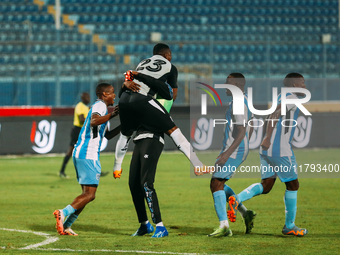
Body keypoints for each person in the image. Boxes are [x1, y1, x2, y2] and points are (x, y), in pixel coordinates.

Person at [227, 73, 308, 237]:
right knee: (293, 185)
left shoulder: (281, 95)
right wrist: (268, 137)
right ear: (293, 85)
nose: (304, 86)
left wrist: (266, 140)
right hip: (279, 149)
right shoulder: (291, 98)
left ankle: (236, 199)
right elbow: (274, 115)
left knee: (267, 185)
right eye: (302, 83)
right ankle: (289, 226)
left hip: (267, 150)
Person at [113, 43, 205, 180]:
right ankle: (197, 164)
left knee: (125, 135)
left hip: (125, 99)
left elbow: (127, 81)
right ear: (167, 55)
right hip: (142, 99)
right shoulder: (170, 67)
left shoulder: (141, 63)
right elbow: (173, 95)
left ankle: (117, 168)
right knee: (173, 130)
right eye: (170, 56)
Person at [53, 82, 120, 236]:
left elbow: (107, 135)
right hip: (87, 153)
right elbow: (94, 121)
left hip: (84, 153)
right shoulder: (100, 106)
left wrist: (125, 127)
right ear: (104, 94)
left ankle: (67, 225)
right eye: (111, 92)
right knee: (89, 194)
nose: (114, 95)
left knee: (87, 195)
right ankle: (62, 213)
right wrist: (113, 114)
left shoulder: (102, 109)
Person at [208, 73, 256, 237]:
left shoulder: (238, 102)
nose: (225, 85)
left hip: (235, 149)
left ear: (237, 84)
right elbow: (251, 125)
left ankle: (225, 226)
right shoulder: (244, 100)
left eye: (228, 82)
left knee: (216, 183)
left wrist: (227, 154)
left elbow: (242, 130)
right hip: (238, 148)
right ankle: (245, 212)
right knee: (218, 183)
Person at [59, 92, 90, 178]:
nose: (89, 98)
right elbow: (81, 119)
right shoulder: (79, 106)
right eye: (87, 97)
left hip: (83, 131)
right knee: (71, 151)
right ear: (83, 98)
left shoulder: (86, 107)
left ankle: (91, 170)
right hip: (78, 130)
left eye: (89, 97)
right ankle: (62, 171)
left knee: (87, 150)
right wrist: (93, 122)